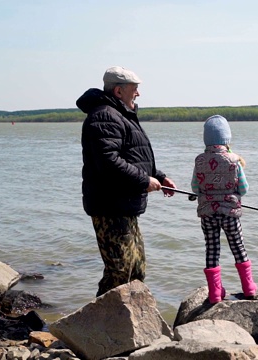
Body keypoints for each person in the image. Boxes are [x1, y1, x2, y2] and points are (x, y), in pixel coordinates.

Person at [77, 66, 176, 297]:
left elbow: (134, 156)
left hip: (125, 204)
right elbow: (109, 162)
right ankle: (96, 323)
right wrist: (144, 180)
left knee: (137, 269)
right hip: (109, 206)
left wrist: (159, 176)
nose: (138, 94)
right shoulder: (104, 115)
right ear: (119, 91)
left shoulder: (121, 115)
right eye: (135, 89)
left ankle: (129, 319)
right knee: (120, 271)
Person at [191, 115, 258, 304]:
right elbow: (244, 189)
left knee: (212, 250)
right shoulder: (233, 160)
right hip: (230, 213)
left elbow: (195, 188)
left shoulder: (200, 161)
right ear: (226, 139)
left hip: (207, 213)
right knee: (238, 247)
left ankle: (214, 294)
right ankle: (249, 288)